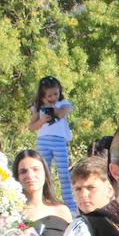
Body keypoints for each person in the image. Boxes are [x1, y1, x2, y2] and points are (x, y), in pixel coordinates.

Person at [25, 76, 75, 211]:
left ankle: (70, 204)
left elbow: (62, 113)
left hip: (59, 141)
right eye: (49, 95)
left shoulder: (63, 103)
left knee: (63, 173)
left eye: (55, 94)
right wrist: (42, 119)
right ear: (42, 95)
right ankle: (44, 199)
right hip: (43, 141)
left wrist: (52, 107)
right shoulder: (37, 108)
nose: (53, 97)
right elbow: (31, 127)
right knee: (43, 172)